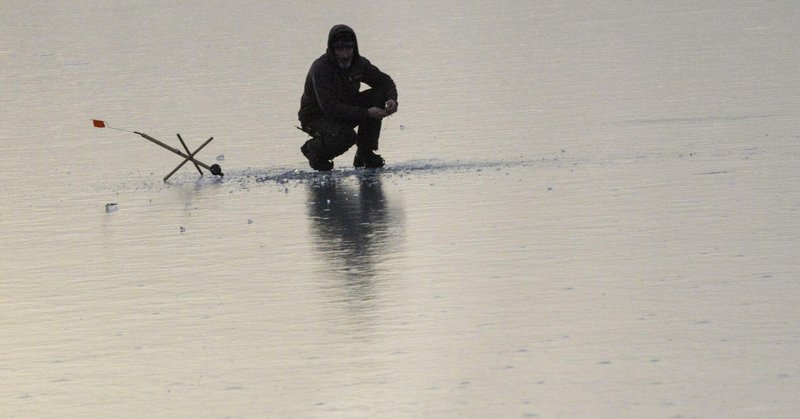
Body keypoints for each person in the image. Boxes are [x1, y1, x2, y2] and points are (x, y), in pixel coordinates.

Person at [298, 24, 398, 171]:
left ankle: (365, 152)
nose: (345, 55)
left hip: (346, 106)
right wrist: (366, 113)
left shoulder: (359, 63)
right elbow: (330, 108)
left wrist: (392, 99)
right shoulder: (321, 69)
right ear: (332, 50)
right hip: (317, 117)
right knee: (346, 136)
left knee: (378, 95)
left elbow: (384, 81)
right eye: (340, 49)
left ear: (354, 48)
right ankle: (314, 150)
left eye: (349, 48)